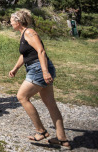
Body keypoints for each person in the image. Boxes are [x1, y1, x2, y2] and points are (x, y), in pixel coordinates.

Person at [9, 9, 71, 149]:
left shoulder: (30, 32)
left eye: (11, 20)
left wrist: (45, 72)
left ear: (18, 22)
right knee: (50, 103)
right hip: (36, 68)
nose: (10, 23)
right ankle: (62, 139)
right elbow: (25, 55)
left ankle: (41, 131)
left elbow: (40, 51)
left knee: (22, 97)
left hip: (38, 69)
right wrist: (15, 68)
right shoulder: (23, 34)